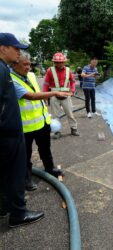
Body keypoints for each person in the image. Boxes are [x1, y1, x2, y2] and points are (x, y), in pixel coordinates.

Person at [0, 32, 44, 227]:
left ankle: (4, 208)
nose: (19, 52)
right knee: (15, 174)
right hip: (8, 135)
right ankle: (18, 214)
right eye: (16, 48)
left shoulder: (3, 68)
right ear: (3, 48)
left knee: (4, 174)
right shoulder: (2, 71)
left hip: (7, 134)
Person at [11, 51, 67, 191]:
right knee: (25, 155)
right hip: (25, 126)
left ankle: (50, 169)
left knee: (45, 149)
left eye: (29, 64)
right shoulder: (10, 79)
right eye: (25, 64)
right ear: (15, 64)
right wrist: (54, 93)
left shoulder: (30, 75)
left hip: (41, 122)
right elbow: (31, 96)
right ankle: (26, 179)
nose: (28, 67)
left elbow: (38, 92)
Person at [43, 52, 80, 138]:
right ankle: (57, 131)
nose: (59, 64)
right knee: (55, 116)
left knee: (70, 114)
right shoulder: (50, 71)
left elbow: (73, 81)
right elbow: (46, 84)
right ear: (54, 62)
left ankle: (74, 129)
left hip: (66, 96)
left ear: (64, 62)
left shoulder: (68, 70)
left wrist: (73, 90)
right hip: (54, 97)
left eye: (61, 62)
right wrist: (44, 95)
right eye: (57, 62)